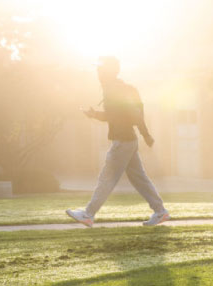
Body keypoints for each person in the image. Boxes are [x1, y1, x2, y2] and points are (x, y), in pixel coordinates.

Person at [66, 56, 170, 227]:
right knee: (139, 178)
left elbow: (133, 114)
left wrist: (146, 135)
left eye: (101, 69)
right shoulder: (120, 89)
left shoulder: (114, 90)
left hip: (122, 141)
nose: (98, 72)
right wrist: (95, 114)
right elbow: (117, 116)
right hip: (128, 140)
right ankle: (160, 212)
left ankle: (88, 214)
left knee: (106, 178)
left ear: (110, 71)